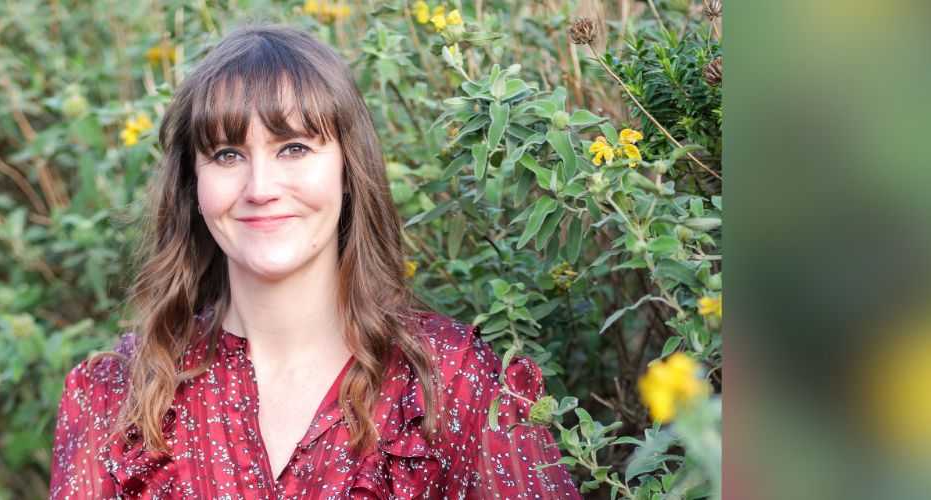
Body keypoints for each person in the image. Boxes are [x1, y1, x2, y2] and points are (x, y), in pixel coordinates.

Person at [50, 25, 580, 499]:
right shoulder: (113, 396)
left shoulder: (454, 383)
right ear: (194, 183)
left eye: (295, 148)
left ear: (350, 168)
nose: (260, 189)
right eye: (227, 155)